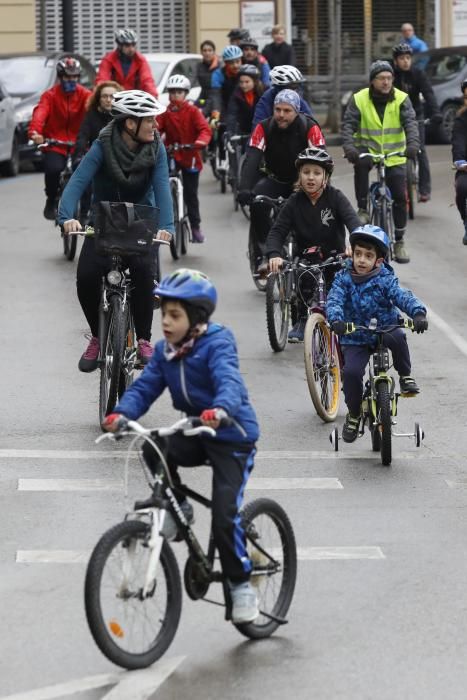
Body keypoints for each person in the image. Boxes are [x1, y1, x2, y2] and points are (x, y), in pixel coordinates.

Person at [101, 268, 260, 625]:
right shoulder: (164, 351)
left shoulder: (218, 342)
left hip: (232, 436)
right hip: (197, 430)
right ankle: (181, 509)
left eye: (175, 315)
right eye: (163, 314)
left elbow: (229, 382)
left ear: (196, 318)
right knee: (152, 445)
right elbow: (146, 388)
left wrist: (221, 410)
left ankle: (240, 586)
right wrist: (121, 415)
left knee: (224, 518)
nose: (166, 323)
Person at [58, 90, 174, 370]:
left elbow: (162, 187)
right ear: (130, 123)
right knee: (86, 277)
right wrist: (66, 217)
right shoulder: (102, 145)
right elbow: (78, 181)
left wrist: (167, 226)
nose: (155, 125)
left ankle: (144, 339)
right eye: (150, 120)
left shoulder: (156, 148)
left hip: (140, 221)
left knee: (145, 273)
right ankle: (97, 336)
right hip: (104, 220)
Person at [326, 225, 428, 443]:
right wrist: (336, 320)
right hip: (355, 334)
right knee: (352, 373)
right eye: (358, 254)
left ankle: (405, 375)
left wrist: (418, 313)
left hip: (384, 329)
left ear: (379, 261)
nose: (362, 260)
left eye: (368, 256)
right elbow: (334, 299)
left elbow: (401, 296)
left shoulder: (384, 279)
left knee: (399, 336)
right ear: (351, 253)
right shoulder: (343, 278)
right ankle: (353, 414)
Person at [266, 147, 361, 342]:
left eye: (317, 173)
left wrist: (355, 244)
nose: (311, 177)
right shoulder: (293, 202)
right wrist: (274, 254)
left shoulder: (335, 197)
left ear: (325, 177)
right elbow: (277, 231)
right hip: (307, 258)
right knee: (303, 275)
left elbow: (354, 223)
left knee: (342, 285)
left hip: (335, 256)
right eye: (306, 172)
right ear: (299, 176)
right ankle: (301, 318)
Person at [238, 89, 325, 275]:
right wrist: (244, 188)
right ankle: (263, 255)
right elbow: (252, 157)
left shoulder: (310, 127)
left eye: (287, 111)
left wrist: (319, 188)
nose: (281, 115)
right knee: (258, 202)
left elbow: (323, 161)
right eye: (278, 110)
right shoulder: (264, 127)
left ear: (297, 111)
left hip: (301, 182)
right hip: (275, 178)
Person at [342, 60, 419, 264]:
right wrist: (349, 148)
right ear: (372, 81)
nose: (386, 82)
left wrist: (412, 145)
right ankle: (363, 208)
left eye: (389, 78)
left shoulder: (402, 99)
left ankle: (400, 241)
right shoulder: (359, 99)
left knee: (400, 195)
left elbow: (410, 123)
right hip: (367, 150)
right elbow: (348, 125)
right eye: (381, 78)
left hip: (395, 154)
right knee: (360, 165)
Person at [29, 57, 91, 220]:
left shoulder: (85, 95)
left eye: (74, 77)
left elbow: (94, 113)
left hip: (80, 142)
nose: (71, 80)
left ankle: (85, 212)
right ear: (60, 77)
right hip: (56, 143)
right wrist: (36, 133)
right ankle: (51, 199)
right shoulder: (50, 96)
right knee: (53, 170)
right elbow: (40, 114)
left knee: (87, 173)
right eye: (67, 77)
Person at [156, 75, 211, 243]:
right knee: (163, 185)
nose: (175, 96)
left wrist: (199, 142)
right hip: (172, 154)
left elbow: (204, 129)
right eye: (172, 92)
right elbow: (156, 127)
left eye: (179, 92)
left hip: (191, 156)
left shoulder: (193, 111)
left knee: (190, 193)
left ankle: (195, 227)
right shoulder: (165, 112)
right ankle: (164, 221)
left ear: (186, 94)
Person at [392, 42, 441, 202]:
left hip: (416, 116)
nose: (405, 61)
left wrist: (436, 113)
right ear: (395, 61)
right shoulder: (391, 76)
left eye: (408, 58)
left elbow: (429, 94)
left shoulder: (418, 74)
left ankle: (424, 190)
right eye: (401, 58)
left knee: (420, 151)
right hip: (395, 118)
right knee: (392, 151)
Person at [96, 28, 158, 96]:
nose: (131, 49)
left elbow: (147, 80)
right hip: (114, 98)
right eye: (127, 45)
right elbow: (102, 80)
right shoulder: (109, 59)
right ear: (120, 46)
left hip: (134, 98)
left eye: (133, 45)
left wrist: (153, 96)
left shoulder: (140, 60)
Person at [225, 64, 264, 136]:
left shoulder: (264, 92)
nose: (243, 85)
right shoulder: (237, 94)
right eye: (241, 82)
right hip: (244, 130)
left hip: (262, 130)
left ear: (255, 82)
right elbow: (232, 114)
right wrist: (229, 131)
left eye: (247, 82)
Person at [451, 79, 467, 245]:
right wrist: (460, 161)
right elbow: (458, 142)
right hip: (466, 168)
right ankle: (466, 221)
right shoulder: (461, 120)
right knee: (462, 188)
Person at [196, 40, 219, 117]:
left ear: (214, 52)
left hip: (217, 101)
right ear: (201, 53)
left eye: (210, 50)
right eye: (204, 50)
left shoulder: (219, 67)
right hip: (204, 98)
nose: (207, 53)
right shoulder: (200, 66)